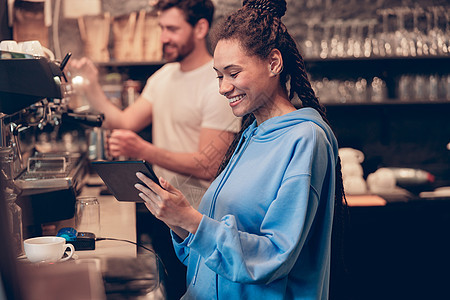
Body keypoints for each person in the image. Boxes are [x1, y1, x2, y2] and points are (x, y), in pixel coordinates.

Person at [135, 0, 347, 299]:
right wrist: (178, 219)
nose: (223, 87)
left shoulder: (305, 140)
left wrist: (190, 220)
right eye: (219, 75)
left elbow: (273, 256)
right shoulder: (249, 134)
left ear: (274, 63)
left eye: (233, 73)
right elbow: (210, 256)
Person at [70, 1, 240, 299]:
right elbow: (124, 120)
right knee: (174, 289)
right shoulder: (163, 77)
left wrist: (144, 149)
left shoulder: (219, 84)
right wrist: (93, 86)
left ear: (200, 28)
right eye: (161, 28)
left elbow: (209, 166)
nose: (163, 37)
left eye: (172, 29)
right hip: (163, 212)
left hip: (200, 220)